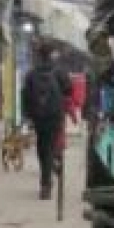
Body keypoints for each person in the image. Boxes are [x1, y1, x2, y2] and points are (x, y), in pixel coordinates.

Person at [21, 43, 72, 199]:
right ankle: (47, 182)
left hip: (39, 117)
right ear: (52, 55)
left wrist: (28, 115)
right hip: (55, 116)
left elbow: (25, 95)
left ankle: (46, 180)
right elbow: (68, 89)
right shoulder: (59, 71)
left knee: (42, 147)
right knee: (51, 146)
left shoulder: (31, 74)